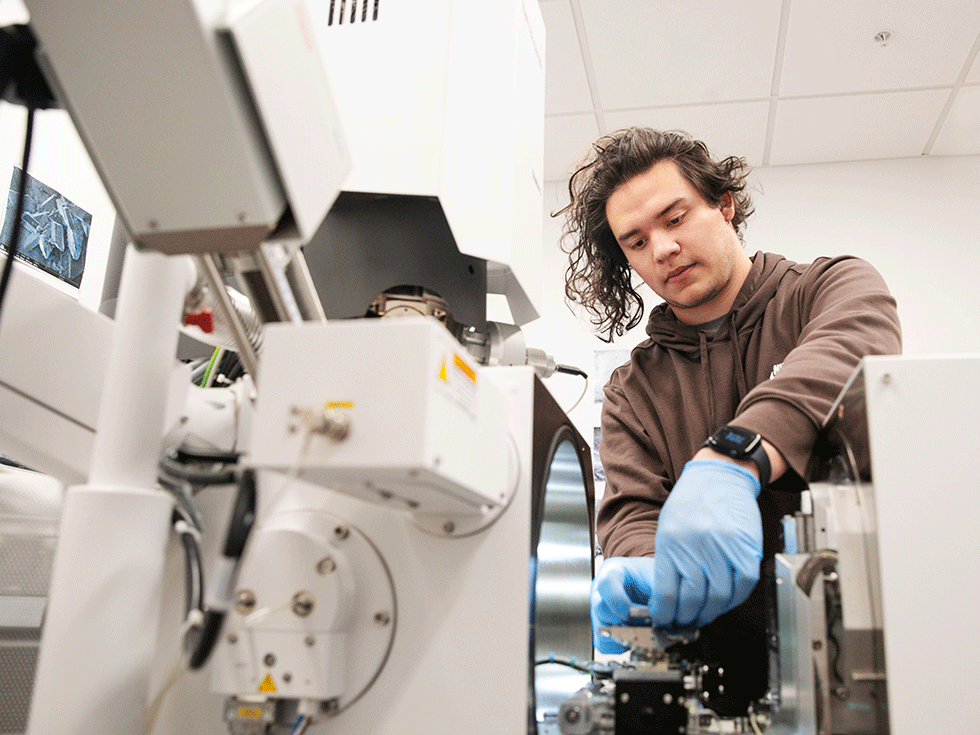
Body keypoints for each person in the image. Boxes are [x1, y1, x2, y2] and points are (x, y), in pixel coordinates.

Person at [559, 127, 902, 712]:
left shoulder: (827, 290)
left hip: (867, 666)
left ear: (724, 205)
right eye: (636, 242)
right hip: (714, 684)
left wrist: (730, 462)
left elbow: (852, 346)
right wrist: (647, 572)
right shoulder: (632, 392)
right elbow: (633, 512)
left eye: (675, 218)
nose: (662, 249)